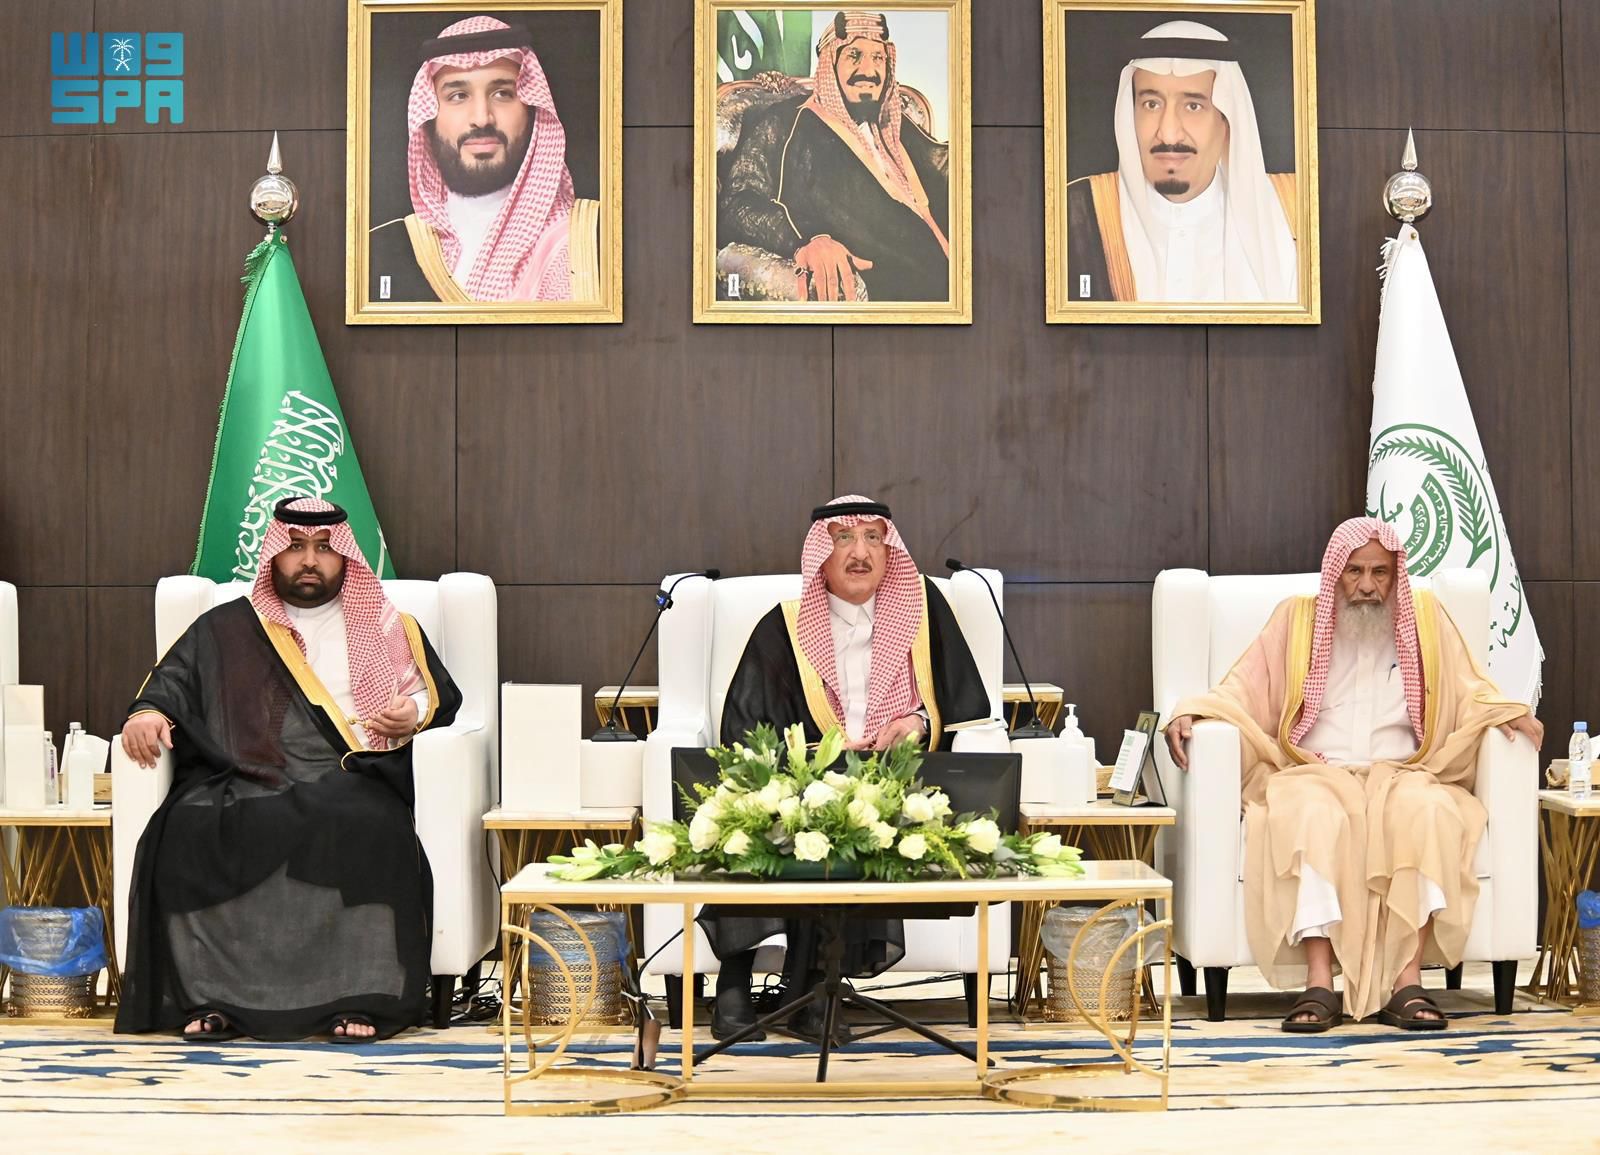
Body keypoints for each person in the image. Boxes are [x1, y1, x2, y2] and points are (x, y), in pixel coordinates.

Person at [1164, 517, 1542, 1032]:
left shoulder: (1426, 622)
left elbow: (1469, 686)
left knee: (1431, 812)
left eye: (1380, 573)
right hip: (1313, 771)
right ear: (1335, 572)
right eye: (1355, 571)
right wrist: (1194, 710)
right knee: (1309, 816)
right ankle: (1319, 983)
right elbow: (1242, 689)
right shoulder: (1297, 620)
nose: (1367, 585)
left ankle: (1407, 982)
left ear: (1395, 575)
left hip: (1406, 772)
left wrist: (1504, 710)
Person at [115, 497, 463, 1043]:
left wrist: (410, 714)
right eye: (296, 546)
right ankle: (213, 999)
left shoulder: (388, 627)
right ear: (274, 553)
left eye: (324, 548)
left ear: (345, 556)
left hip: (350, 771)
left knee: (365, 823)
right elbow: (173, 683)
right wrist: (148, 713)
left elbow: (435, 698)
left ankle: (358, 997)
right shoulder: (227, 626)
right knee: (190, 823)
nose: (309, 560)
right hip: (247, 772)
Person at [706, 495, 992, 1041]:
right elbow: (743, 729)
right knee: (754, 812)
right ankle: (735, 980)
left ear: (890, 547)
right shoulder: (784, 626)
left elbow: (958, 709)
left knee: (866, 818)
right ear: (822, 553)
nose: (860, 553)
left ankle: (816, 987)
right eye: (844, 539)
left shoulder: (922, 612)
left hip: (893, 779)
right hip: (802, 779)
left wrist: (916, 722)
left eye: (873, 538)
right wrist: (813, 757)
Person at [717, 10, 951, 302]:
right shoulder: (786, 122)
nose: (869, 70)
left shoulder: (897, 125)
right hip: (890, 290)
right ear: (830, 64)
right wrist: (808, 240)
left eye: (878, 57)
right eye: (854, 55)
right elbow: (737, 204)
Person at [368, 14, 599, 304]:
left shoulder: (588, 241)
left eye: (502, 94)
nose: (481, 118)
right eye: (458, 95)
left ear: (531, 109)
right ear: (428, 116)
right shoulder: (384, 248)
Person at [1065, 20, 1297, 303]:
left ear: (1226, 121)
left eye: (1193, 106)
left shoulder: (1290, 215)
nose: (1168, 133)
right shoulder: (1076, 213)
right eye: (1151, 104)